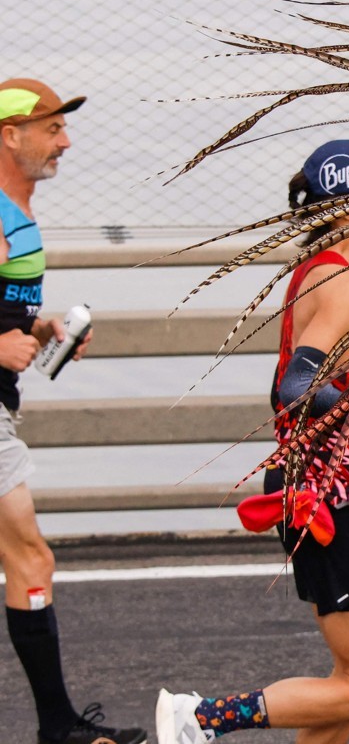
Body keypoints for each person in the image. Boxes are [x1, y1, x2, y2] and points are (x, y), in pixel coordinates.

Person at [156, 140, 349, 744]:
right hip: (322, 495)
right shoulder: (342, 283)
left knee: (348, 690)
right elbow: (295, 386)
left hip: (325, 491)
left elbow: (321, 367)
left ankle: (200, 721)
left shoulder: (320, 272)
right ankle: (200, 720)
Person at [0, 78, 147, 744]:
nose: (66, 140)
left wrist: (40, 326)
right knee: (29, 555)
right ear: (11, 135)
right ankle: (56, 727)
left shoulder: (15, 212)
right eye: (53, 128)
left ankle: (56, 724)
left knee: (28, 557)